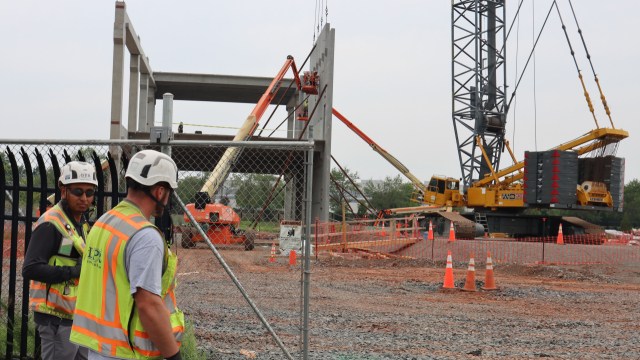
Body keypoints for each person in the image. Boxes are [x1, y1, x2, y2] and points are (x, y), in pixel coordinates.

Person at [70, 150, 184, 360]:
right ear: (160, 192)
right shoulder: (145, 236)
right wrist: (173, 355)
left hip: (96, 347)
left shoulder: (104, 222)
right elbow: (148, 305)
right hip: (126, 351)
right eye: (169, 191)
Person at [23, 161, 98, 360]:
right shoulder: (50, 223)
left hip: (76, 315)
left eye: (89, 192)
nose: (84, 198)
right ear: (63, 191)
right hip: (54, 316)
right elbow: (30, 269)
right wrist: (74, 272)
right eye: (78, 191)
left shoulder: (80, 223)